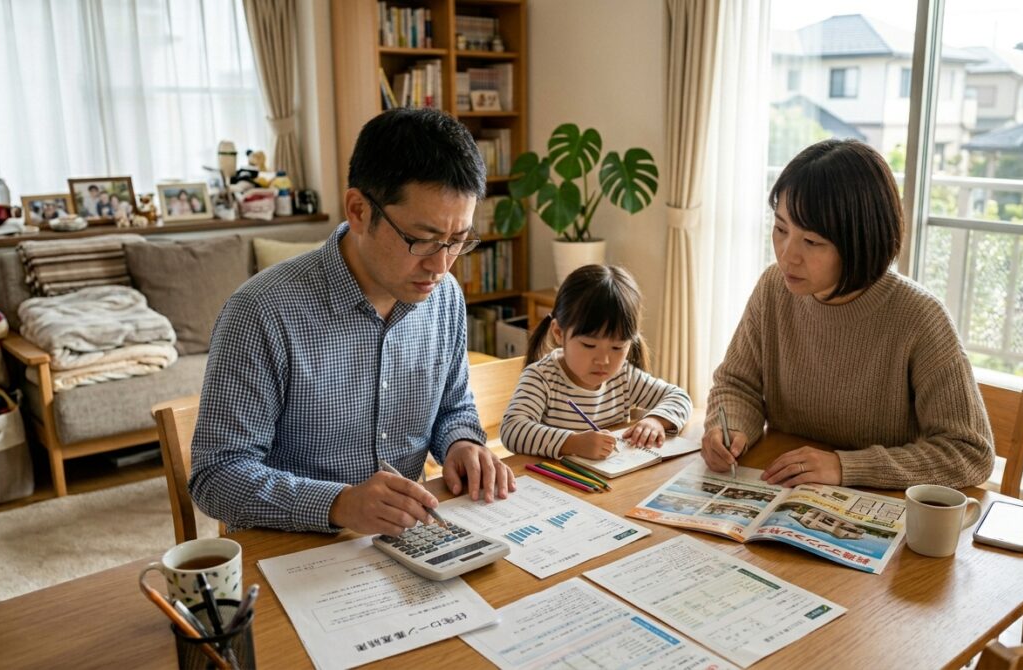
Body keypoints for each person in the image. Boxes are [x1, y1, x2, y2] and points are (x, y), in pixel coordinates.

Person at [190, 108, 515, 535]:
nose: (441, 266)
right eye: (421, 239)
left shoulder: (445, 298)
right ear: (359, 210)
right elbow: (216, 475)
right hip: (291, 550)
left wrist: (462, 442)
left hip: (406, 537)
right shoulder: (261, 313)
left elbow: (452, 406)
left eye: (457, 241)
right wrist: (338, 504)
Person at [701, 138, 994, 490]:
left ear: (860, 242)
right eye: (780, 229)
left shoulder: (918, 318)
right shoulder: (773, 288)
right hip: (780, 488)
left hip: (873, 508)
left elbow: (970, 452)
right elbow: (738, 384)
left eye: (811, 242)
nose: (787, 254)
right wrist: (729, 427)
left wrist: (847, 466)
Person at [500, 264, 692, 460]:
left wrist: (656, 420)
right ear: (558, 333)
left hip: (610, 483)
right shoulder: (541, 378)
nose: (604, 360)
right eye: (589, 345)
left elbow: (679, 397)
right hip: (557, 482)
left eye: (617, 347)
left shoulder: (624, 376)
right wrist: (572, 443)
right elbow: (512, 430)